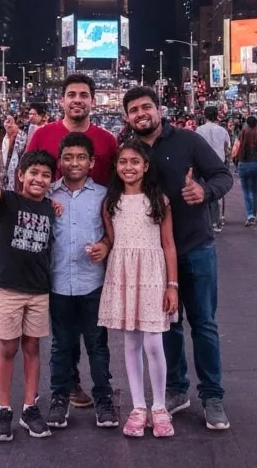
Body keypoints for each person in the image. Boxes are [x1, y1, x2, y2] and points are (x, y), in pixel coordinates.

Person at [123, 85, 232, 431]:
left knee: (204, 324)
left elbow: (222, 175)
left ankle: (212, 396)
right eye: (134, 110)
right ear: (128, 117)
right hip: (153, 254)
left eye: (146, 107)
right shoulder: (129, 149)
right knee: (165, 325)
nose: (141, 114)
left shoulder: (189, 141)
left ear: (158, 109)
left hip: (195, 246)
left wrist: (205, 191)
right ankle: (176, 389)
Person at [0, 136, 57, 443]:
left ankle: (29, 406)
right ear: (21, 175)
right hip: (8, 289)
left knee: (33, 348)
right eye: (34, 173)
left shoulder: (50, 208)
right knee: (8, 348)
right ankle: (4, 408)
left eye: (46, 175)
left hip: (39, 289)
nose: (39, 179)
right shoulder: (8, 202)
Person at [98, 139, 179, 438]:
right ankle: (138, 406)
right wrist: (101, 248)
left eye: (135, 162)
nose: (128, 167)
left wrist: (173, 285)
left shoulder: (159, 201)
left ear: (146, 166)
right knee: (130, 343)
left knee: (154, 343)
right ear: (116, 167)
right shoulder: (110, 203)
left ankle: (159, 406)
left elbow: (168, 245)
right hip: (123, 274)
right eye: (123, 162)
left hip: (154, 275)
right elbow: (111, 241)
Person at [45, 133, 118, 430]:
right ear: (60, 161)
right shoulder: (48, 194)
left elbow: (113, 232)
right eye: (68, 157)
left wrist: (105, 245)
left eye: (81, 158)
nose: (74, 163)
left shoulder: (103, 195)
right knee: (61, 344)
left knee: (97, 344)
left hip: (92, 283)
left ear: (92, 162)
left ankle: (104, 399)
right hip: (58, 283)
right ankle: (59, 397)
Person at [28, 74, 119, 186]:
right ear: (62, 101)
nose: (77, 100)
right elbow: (27, 175)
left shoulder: (108, 140)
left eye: (84, 95)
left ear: (93, 102)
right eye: (71, 95)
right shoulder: (41, 135)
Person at [195, 106, 231, 232]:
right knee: (218, 193)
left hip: (202, 165)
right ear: (216, 116)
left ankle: (209, 221)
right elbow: (227, 147)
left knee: (204, 192)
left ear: (204, 116)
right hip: (219, 164)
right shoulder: (222, 130)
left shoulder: (199, 130)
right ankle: (218, 220)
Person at [231, 116, 257, 226]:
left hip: (243, 164)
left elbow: (235, 149)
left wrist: (236, 161)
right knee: (255, 191)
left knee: (246, 191)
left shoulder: (242, 133)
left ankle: (249, 215)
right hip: (256, 164)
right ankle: (254, 215)